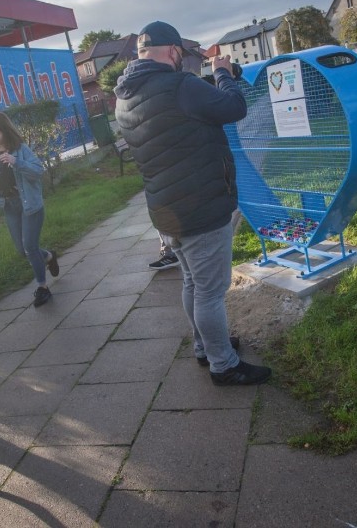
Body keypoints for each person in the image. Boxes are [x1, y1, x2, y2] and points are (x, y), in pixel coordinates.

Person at [114, 21, 271, 386]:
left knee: (191, 283)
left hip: (166, 212)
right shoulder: (180, 85)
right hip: (201, 207)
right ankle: (223, 365)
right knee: (212, 292)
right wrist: (221, 72)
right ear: (172, 52)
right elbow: (233, 107)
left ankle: (205, 346)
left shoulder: (124, 96)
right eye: (182, 56)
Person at [0, 111, 59, 307]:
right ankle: (49, 256)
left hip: (29, 204)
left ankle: (43, 287)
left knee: (30, 247)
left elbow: (38, 171)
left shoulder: (20, 150)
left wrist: (16, 162)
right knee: (23, 250)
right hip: (10, 206)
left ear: (5, 131)